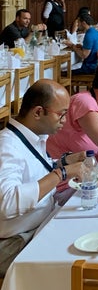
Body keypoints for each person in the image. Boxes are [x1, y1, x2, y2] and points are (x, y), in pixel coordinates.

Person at [0, 80, 84, 276]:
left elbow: (32, 170)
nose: (64, 120)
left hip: (41, 223)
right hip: (15, 241)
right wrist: (61, 173)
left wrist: (63, 161)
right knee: (79, 263)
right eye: (61, 114)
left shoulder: (34, 136)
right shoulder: (7, 147)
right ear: (38, 112)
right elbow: (8, 202)